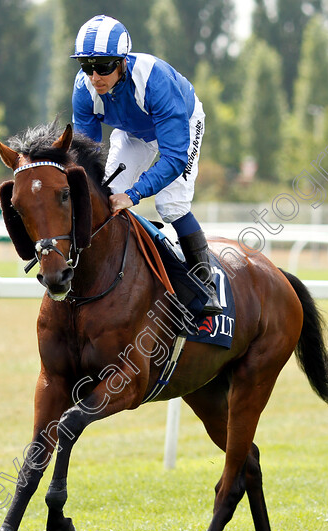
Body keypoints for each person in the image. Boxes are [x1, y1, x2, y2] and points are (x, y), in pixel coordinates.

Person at [70, 14, 222, 315]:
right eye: (86, 67)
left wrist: (135, 194)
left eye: (103, 66)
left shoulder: (156, 81)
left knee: (172, 205)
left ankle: (206, 288)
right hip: (133, 133)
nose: (95, 77)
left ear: (123, 62)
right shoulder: (83, 90)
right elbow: (85, 157)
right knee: (106, 195)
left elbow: (174, 158)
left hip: (182, 126)